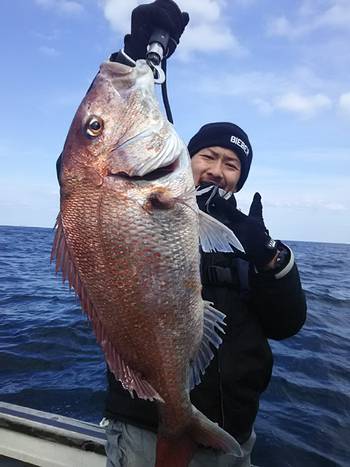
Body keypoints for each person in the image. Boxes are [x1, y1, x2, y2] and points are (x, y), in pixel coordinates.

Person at [100, 1, 307, 466]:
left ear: (241, 178)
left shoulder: (251, 236)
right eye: (206, 156)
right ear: (183, 157)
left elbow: (289, 324)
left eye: (231, 164)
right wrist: (132, 60)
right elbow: (91, 173)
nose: (216, 170)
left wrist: (270, 258)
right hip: (142, 422)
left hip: (227, 430)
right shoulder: (139, 194)